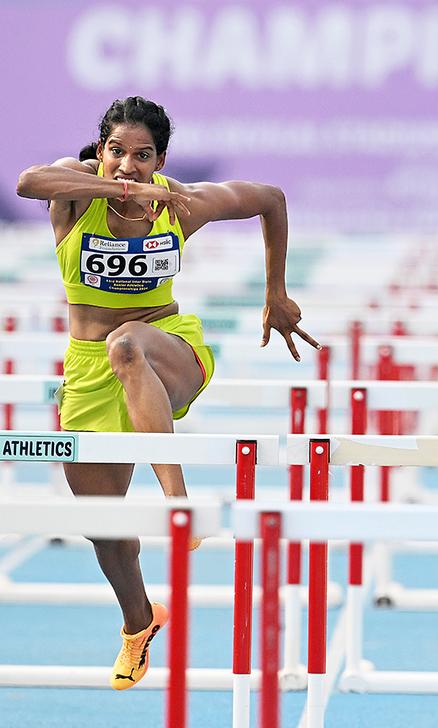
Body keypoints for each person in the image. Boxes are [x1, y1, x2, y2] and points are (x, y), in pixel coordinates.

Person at [15, 96, 320, 690]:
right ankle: (138, 620)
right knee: (104, 529)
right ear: (99, 151)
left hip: (166, 350)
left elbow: (271, 199)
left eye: (142, 156)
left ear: (161, 159)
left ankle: (176, 499)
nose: (128, 165)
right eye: (116, 152)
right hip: (86, 372)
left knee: (127, 344)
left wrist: (276, 294)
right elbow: (27, 181)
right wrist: (119, 191)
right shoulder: (74, 190)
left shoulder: (181, 204)